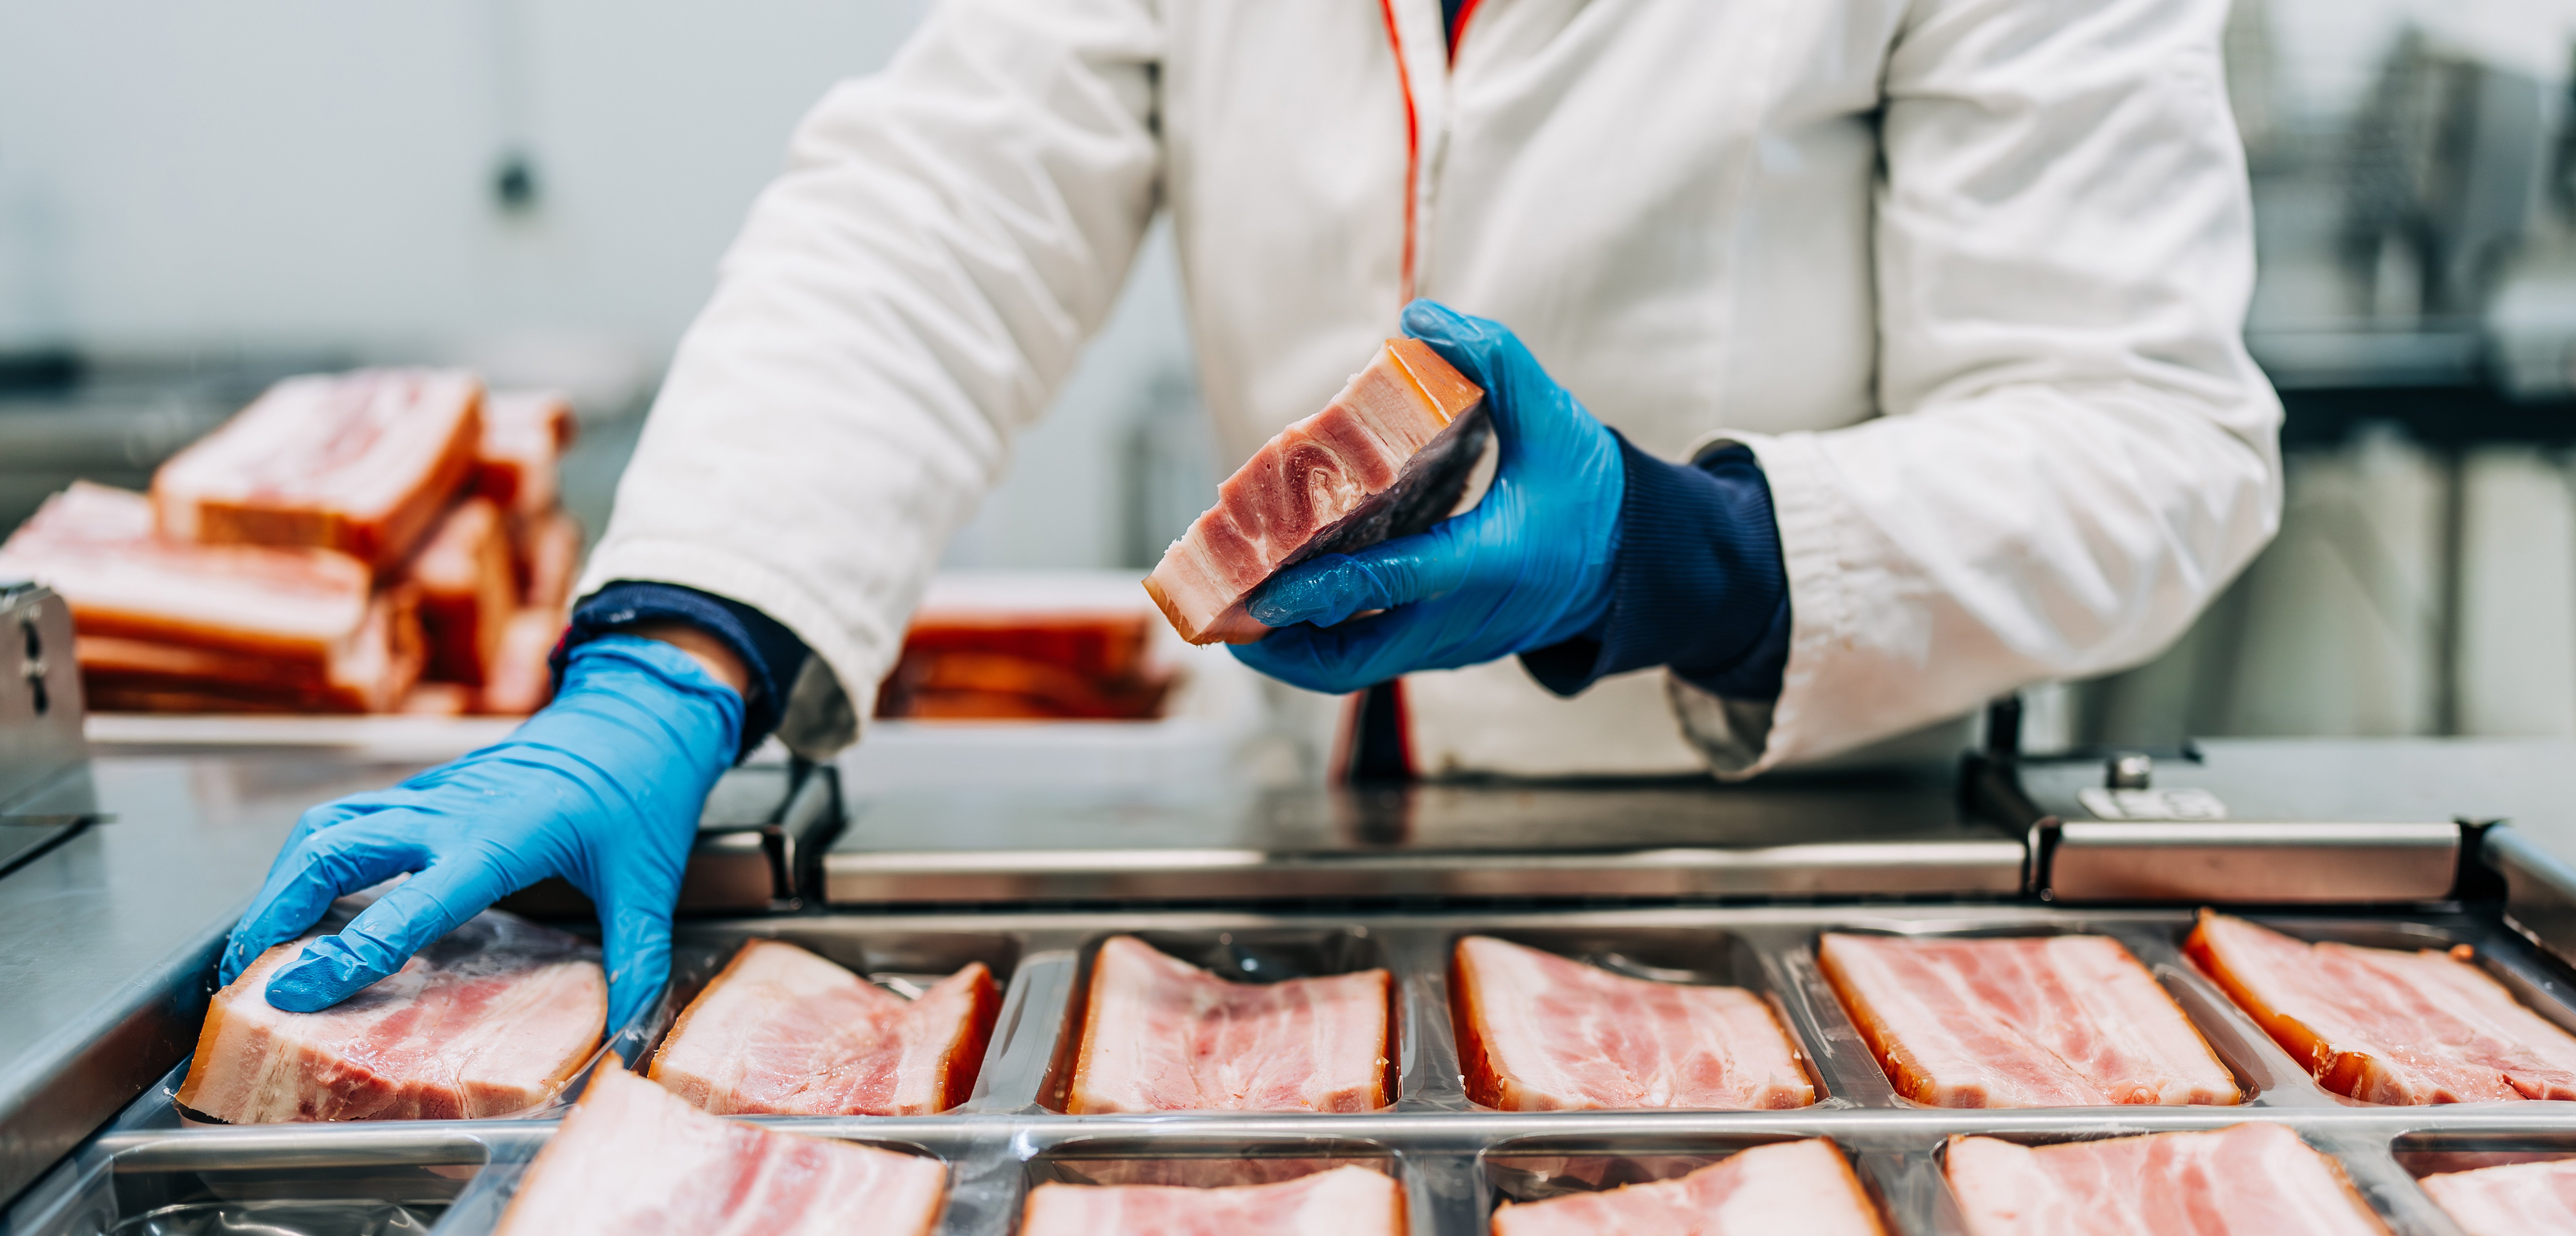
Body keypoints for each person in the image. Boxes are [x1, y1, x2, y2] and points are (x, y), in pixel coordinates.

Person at [222, 0, 2281, 1033]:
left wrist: (1673, 556)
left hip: (1815, 878)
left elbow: (2143, 430)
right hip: (1303, 850)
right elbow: (938, 216)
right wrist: (670, 661)